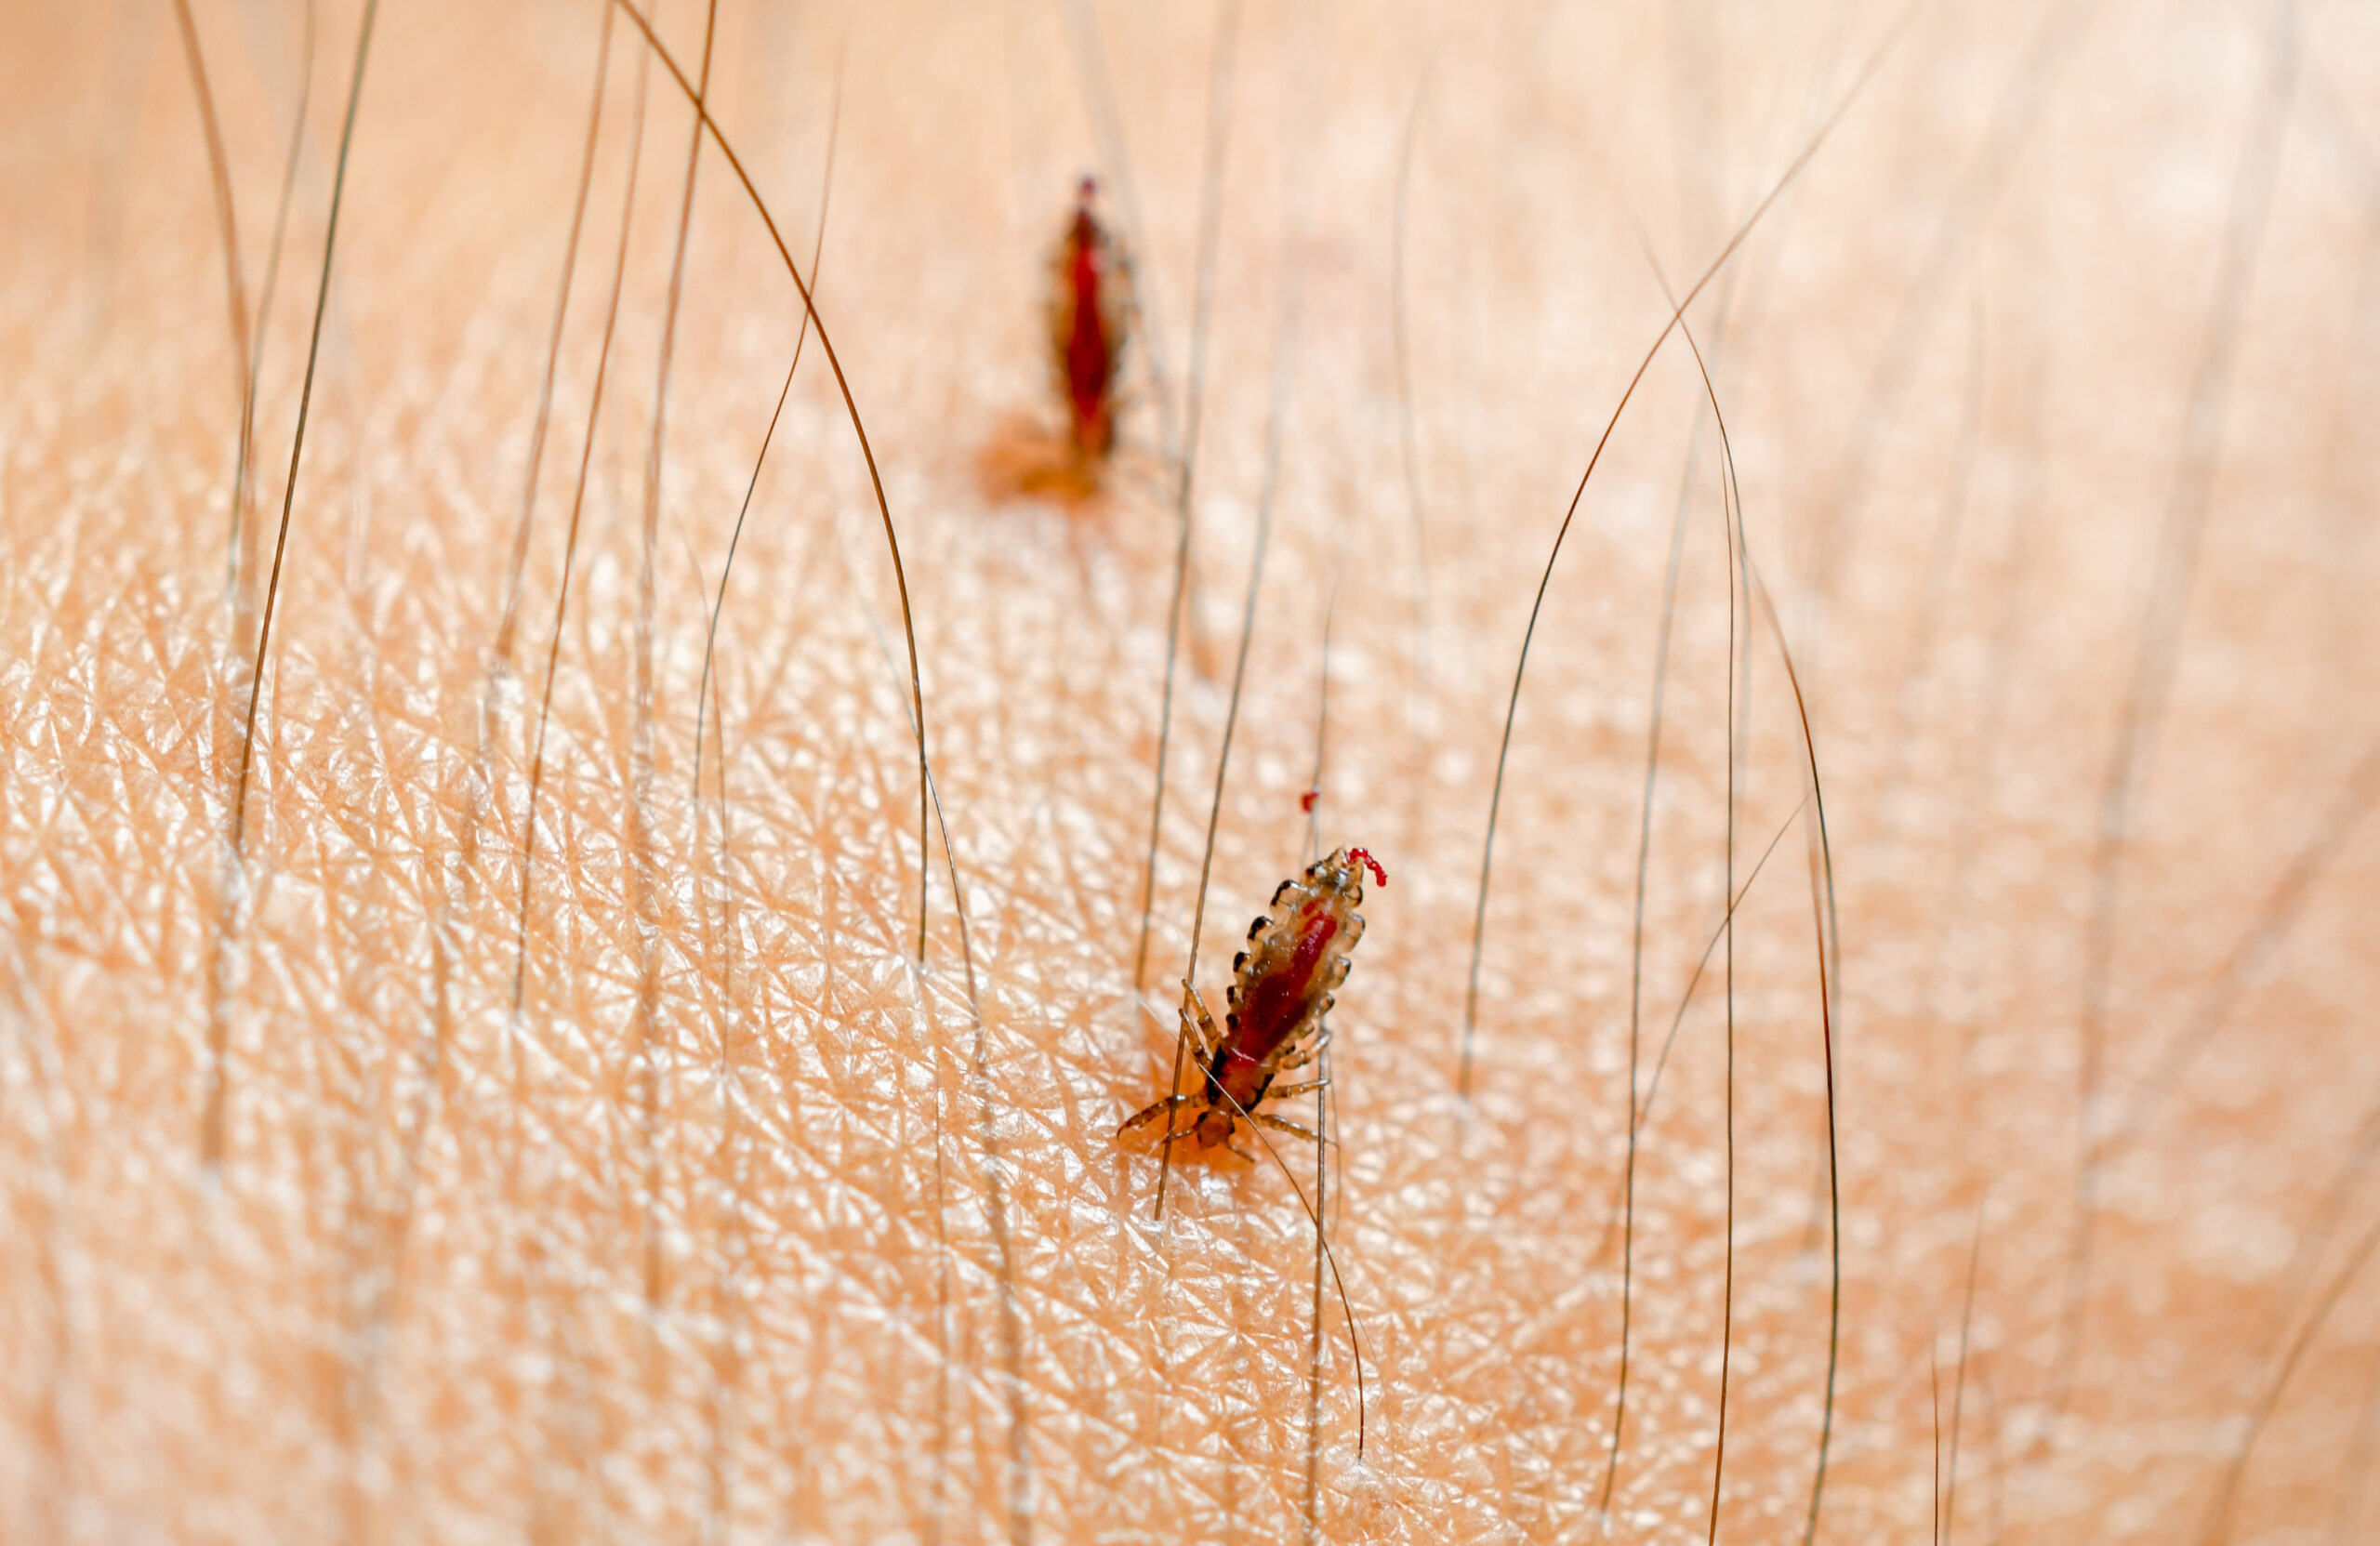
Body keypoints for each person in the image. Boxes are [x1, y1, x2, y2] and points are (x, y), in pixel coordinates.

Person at [6, 0, 2377, 1539]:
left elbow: (1261, 998)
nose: (1223, 1079)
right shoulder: (1243, 1037)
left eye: (1226, 1086)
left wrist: (1243, 1033)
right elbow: (1261, 1004)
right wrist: (1247, 1041)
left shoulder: (1237, 1032)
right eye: (1220, 1081)